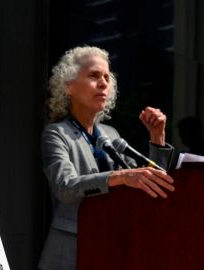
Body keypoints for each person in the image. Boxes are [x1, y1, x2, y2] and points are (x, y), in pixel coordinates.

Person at [38, 46, 175, 270]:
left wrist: (157, 138)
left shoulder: (111, 134)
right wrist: (120, 176)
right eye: (94, 75)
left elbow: (151, 188)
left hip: (112, 247)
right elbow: (64, 187)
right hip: (71, 252)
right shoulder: (56, 133)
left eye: (106, 77)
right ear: (69, 86)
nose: (103, 83)